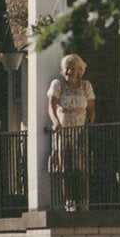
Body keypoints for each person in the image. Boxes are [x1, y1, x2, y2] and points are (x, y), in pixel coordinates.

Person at [47, 54, 96, 210]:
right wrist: (56, 122)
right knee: (65, 166)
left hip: (80, 131)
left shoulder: (86, 85)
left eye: (73, 68)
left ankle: (83, 200)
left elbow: (91, 108)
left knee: (81, 166)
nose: (69, 71)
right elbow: (51, 106)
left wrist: (90, 122)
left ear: (79, 70)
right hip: (63, 131)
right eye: (67, 68)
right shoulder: (58, 84)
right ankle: (69, 201)